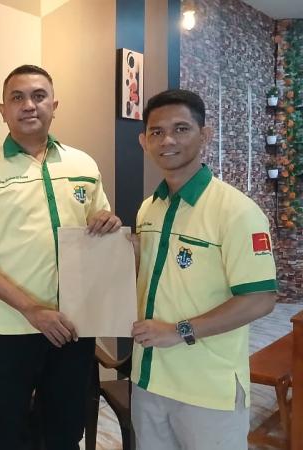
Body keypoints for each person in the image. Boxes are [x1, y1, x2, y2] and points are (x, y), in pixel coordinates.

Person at [0, 64, 122, 450]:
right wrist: (32, 309)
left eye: (39, 96)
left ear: (54, 105)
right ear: (3, 110)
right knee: (8, 435)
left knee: (64, 433)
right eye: (18, 97)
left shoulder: (83, 164)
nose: (29, 105)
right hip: (10, 329)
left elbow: (100, 230)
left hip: (73, 326)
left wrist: (106, 222)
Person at [130, 89, 277, 450]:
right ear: (144, 142)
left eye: (181, 129)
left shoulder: (237, 212)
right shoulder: (149, 209)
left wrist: (179, 331)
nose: (168, 140)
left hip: (208, 390)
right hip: (149, 379)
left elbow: (260, 299)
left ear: (205, 135)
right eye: (157, 132)